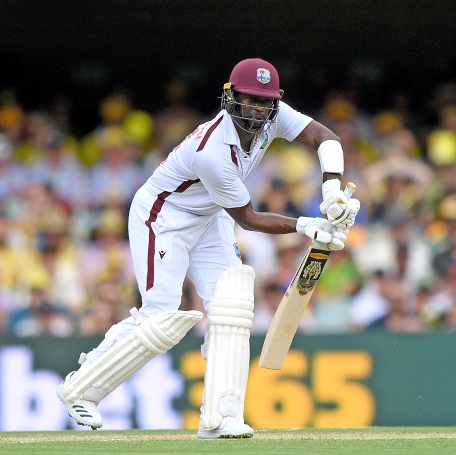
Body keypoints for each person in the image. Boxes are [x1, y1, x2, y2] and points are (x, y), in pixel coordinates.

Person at [56, 58, 360, 438]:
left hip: (210, 216)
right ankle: (80, 389)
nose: (258, 109)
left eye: (265, 102)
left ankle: (220, 416)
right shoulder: (211, 150)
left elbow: (325, 138)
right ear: (231, 98)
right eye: (250, 100)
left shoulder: (275, 115)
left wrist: (332, 191)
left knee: (231, 308)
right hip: (163, 217)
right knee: (161, 315)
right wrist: (308, 224)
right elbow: (248, 217)